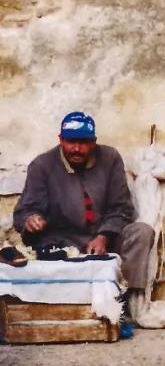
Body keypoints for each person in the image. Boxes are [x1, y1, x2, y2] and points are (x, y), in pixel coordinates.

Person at [13, 111, 155, 298]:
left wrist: (103, 236)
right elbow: (24, 211)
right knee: (45, 251)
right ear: (61, 140)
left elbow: (121, 207)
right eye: (71, 142)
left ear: (94, 142)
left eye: (83, 142)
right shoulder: (42, 166)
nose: (77, 149)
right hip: (63, 241)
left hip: (106, 237)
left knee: (141, 232)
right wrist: (31, 220)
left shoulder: (110, 158)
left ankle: (126, 302)